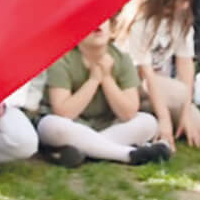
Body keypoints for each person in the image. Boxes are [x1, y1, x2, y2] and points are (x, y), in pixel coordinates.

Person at [35, 17, 171, 166]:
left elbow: (128, 112)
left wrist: (106, 78)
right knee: (51, 126)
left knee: (148, 122)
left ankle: (84, 151)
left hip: (107, 125)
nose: (97, 25)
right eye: (90, 20)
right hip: (71, 125)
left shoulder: (122, 58)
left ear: (112, 29)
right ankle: (127, 154)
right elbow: (64, 112)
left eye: (103, 19)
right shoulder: (62, 59)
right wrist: (93, 80)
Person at [115, 0, 200, 149]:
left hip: (162, 88)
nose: (185, 5)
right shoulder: (139, 22)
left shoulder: (180, 21)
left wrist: (186, 114)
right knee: (177, 92)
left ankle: (149, 118)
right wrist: (165, 119)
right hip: (134, 85)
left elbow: (185, 65)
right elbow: (146, 75)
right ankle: (150, 120)